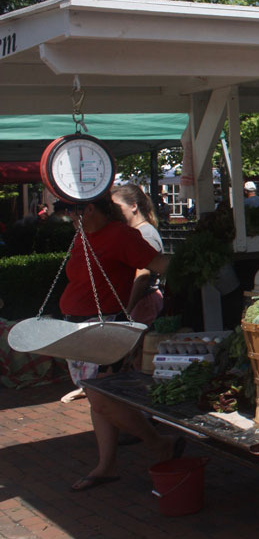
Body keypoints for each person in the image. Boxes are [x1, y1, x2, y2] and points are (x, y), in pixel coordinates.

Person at [59, 194, 183, 492]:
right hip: (79, 327)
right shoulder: (82, 236)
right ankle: (106, 465)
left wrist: (200, 264)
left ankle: (159, 443)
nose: (70, 220)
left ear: (89, 208)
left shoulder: (119, 235)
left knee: (101, 397)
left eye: (72, 214)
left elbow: (159, 263)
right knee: (97, 400)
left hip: (103, 327)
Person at [111, 184, 164, 326]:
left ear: (133, 206)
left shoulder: (145, 234)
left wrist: (127, 310)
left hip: (143, 303)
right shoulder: (136, 233)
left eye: (117, 207)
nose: (114, 213)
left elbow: (142, 277)